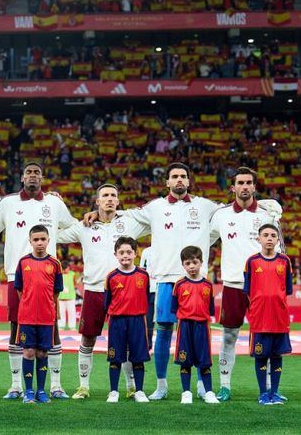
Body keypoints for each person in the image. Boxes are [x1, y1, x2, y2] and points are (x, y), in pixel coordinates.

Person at [84, 163, 219, 400]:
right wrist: (98, 214)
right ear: (167, 182)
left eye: (183, 177)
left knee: (199, 333)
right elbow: (125, 215)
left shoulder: (205, 206)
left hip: (197, 281)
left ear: (189, 181)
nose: (179, 180)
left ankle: (201, 385)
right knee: (164, 332)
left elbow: (228, 214)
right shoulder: (155, 207)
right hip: (167, 279)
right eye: (174, 177)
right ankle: (161, 385)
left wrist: (267, 206)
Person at [0, 162, 74, 399]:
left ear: (42, 178)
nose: (32, 176)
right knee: (17, 332)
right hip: (18, 276)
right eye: (28, 172)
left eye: (37, 172)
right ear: (22, 178)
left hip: (47, 276)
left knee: (52, 334)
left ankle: (55, 385)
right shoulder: (8, 203)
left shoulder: (54, 203)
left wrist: (92, 215)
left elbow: (72, 225)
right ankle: (16, 385)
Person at [58, 183, 148, 399]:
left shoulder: (129, 223)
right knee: (87, 339)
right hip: (94, 289)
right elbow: (56, 234)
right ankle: (83, 387)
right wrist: (56, 205)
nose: (109, 198)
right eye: (105, 195)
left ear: (118, 201)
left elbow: (158, 222)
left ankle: (131, 387)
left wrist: (123, 212)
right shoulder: (84, 226)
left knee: (126, 341)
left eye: (113, 195)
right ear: (97, 201)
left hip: (123, 293)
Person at [208, 167, 283, 401]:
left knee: (267, 336)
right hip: (232, 285)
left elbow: (280, 250)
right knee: (229, 335)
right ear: (233, 187)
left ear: (254, 186)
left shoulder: (267, 213)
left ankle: (271, 389)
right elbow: (204, 241)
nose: (244, 186)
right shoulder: (221, 215)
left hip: (263, 286)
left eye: (248, 182)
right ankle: (225, 386)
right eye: (240, 182)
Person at [244, 224, 293, 405]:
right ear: (259, 239)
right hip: (260, 317)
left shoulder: (285, 261)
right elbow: (247, 290)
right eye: (265, 235)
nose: (270, 238)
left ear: (278, 239)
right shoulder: (251, 261)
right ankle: (263, 393)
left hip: (279, 316)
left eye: (273, 235)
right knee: (261, 355)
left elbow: (287, 289)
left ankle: (275, 392)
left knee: (277, 355)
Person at [14, 224, 63, 404]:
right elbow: (19, 289)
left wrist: (47, 306)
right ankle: (28, 392)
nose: (40, 243)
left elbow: (56, 291)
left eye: (43, 239)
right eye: (36, 240)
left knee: (42, 353)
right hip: (26, 316)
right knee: (28, 352)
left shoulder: (55, 264)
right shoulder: (23, 262)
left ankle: (41, 391)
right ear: (30, 241)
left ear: (49, 240)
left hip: (46, 317)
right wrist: (29, 303)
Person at [103, 237, 151, 403]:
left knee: (137, 357)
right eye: (121, 252)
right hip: (117, 321)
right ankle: (114, 392)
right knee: (115, 357)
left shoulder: (143, 275)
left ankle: (139, 391)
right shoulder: (111, 276)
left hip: (137, 321)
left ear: (135, 254)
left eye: (129, 252)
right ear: (115, 254)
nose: (125, 255)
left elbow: (145, 296)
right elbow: (107, 301)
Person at [171, 246, 219, 404]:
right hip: (185, 326)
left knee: (204, 361)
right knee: (185, 361)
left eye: (195, 262)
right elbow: (174, 307)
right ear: (183, 265)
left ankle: (209, 392)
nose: (192, 266)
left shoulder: (208, 285)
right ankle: (186, 393)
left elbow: (210, 309)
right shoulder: (179, 285)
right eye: (188, 263)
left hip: (202, 327)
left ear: (201, 263)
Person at [58, 262, 77, 330]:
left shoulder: (73, 274)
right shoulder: (59, 274)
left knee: (72, 313)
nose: (68, 269)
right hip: (60, 298)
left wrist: (70, 288)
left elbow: (75, 284)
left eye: (69, 268)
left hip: (71, 297)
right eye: (67, 268)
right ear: (63, 269)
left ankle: (72, 327)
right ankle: (61, 326)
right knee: (61, 313)